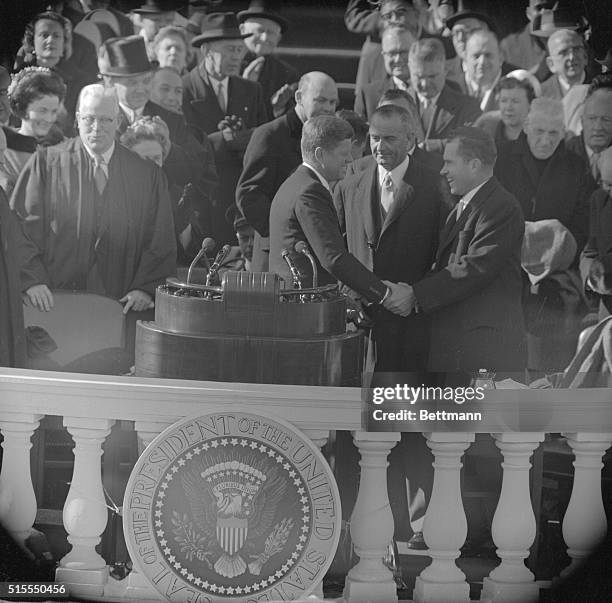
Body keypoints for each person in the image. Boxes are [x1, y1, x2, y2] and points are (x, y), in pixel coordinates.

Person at [10, 84, 176, 316]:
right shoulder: (47, 164)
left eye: (106, 120)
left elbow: (160, 238)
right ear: (77, 119)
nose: (97, 128)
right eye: (89, 119)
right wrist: (32, 280)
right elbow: (20, 228)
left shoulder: (146, 174)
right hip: (55, 302)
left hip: (122, 305)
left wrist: (145, 288)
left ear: (118, 122)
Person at [409, 126, 526, 378]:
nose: (442, 170)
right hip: (457, 346)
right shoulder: (463, 205)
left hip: (484, 351)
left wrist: (414, 295)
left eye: (449, 162)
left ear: (473, 165)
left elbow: (475, 268)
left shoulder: (501, 207)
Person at [269, 114, 413, 317]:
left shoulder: (295, 183)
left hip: (292, 305)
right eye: (343, 153)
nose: (350, 159)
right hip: (303, 311)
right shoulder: (310, 191)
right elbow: (333, 258)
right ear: (320, 155)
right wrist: (385, 294)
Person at [495, 98, 590, 371]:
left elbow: (582, 226)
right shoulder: (502, 159)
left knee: (545, 371)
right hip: (507, 278)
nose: (546, 140)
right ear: (526, 127)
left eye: (553, 133)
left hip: (554, 287)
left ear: (564, 133)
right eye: (539, 131)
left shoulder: (575, 166)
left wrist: (553, 247)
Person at [236, 72, 338, 272]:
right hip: (274, 256)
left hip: (312, 255)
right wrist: (283, 232)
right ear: (299, 98)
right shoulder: (270, 135)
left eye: (333, 102)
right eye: (320, 100)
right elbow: (248, 195)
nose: (328, 108)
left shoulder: (327, 139)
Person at [183, 12, 268, 245]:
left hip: (238, 195)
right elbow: (185, 144)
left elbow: (263, 139)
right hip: (203, 197)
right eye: (229, 50)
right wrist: (225, 139)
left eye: (240, 50)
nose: (237, 57)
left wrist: (245, 138)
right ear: (206, 51)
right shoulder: (184, 88)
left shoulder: (252, 89)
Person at [120, 115, 204, 265]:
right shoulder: (115, 194)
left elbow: (190, 256)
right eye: (144, 159)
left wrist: (183, 227)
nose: (153, 166)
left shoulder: (176, 195)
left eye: (156, 158)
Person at [14, 11, 94, 132]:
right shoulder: (17, 77)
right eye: (44, 35)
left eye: (56, 36)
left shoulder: (81, 81)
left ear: (64, 42)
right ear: (32, 41)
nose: (50, 40)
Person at [407, 37, 481, 152]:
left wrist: (436, 146)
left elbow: (474, 142)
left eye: (432, 76)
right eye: (419, 76)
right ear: (409, 70)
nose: (425, 84)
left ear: (445, 69)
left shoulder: (468, 106)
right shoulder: (396, 104)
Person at [3, 68, 66, 196]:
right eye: (42, 110)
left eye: (53, 111)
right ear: (23, 108)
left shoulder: (65, 147)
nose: (49, 119)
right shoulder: (4, 152)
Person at [238, 0, 299, 119]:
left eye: (271, 33)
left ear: (279, 38)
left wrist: (277, 108)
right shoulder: (226, 63)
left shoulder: (287, 74)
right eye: (260, 30)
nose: (265, 38)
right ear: (242, 30)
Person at [354, 26, 418, 121]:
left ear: (415, 51)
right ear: (383, 55)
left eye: (403, 52)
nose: (398, 59)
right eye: (392, 53)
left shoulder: (437, 89)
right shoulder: (368, 95)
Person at [565, 76, 612, 193]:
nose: (598, 127)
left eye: (606, 119)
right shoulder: (562, 156)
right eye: (592, 118)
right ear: (582, 121)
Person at [580, 146, 612, 318]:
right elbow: (590, 250)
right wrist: (591, 280)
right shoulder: (599, 199)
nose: (610, 192)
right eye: (607, 184)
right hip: (605, 306)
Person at [475, 73, 538, 148]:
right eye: (504, 101)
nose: (508, 107)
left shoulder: (542, 132)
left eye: (515, 101)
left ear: (530, 104)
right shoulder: (486, 124)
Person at [500, 0, 551, 74]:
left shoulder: (567, 38)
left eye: (548, 7)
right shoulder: (509, 46)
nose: (544, 12)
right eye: (539, 8)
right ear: (528, 13)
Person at [541, 29, 588, 100]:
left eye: (577, 49)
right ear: (551, 64)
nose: (572, 57)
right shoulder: (540, 95)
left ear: (585, 56)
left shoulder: (605, 88)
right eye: (564, 52)